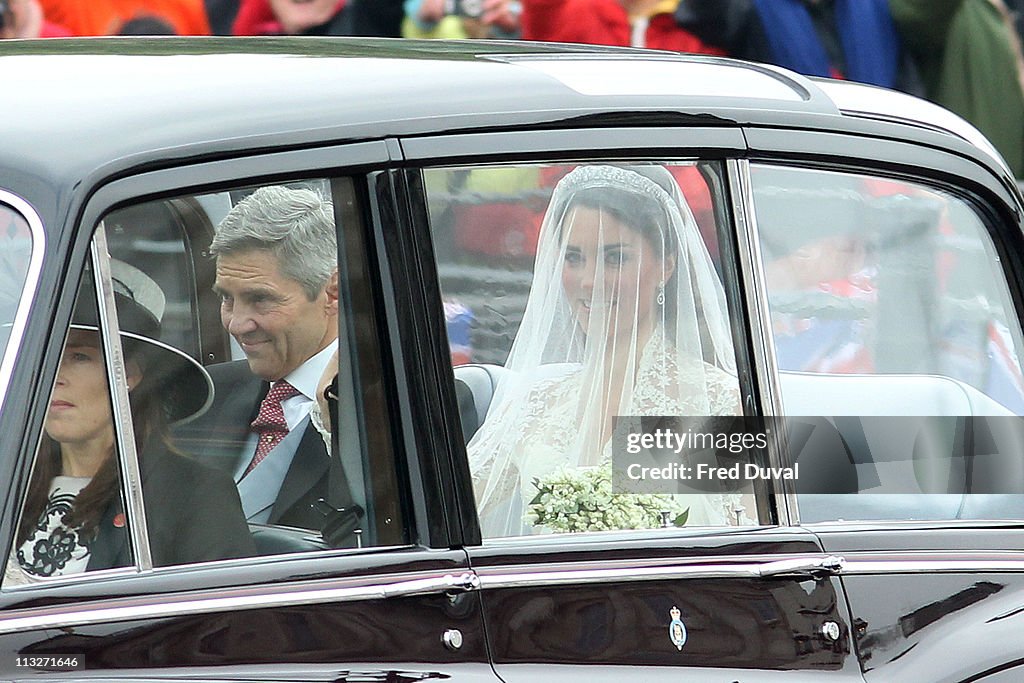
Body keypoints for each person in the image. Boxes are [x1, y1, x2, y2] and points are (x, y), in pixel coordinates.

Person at [467, 164, 743, 537]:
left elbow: (753, 544)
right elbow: (451, 513)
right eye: (574, 257)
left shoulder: (716, 401)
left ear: (666, 264)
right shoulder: (537, 401)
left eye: (614, 258)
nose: (589, 281)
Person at [7, 261, 254, 584]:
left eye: (79, 357)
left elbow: (226, 625)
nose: (55, 376)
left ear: (130, 374)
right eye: (46, 357)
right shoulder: (11, 481)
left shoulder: (191, 495)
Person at [176, 185, 351, 532]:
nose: (236, 324)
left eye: (261, 300)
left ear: (332, 293)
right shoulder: (205, 393)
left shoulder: (390, 410)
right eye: (226, 299)